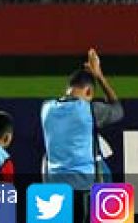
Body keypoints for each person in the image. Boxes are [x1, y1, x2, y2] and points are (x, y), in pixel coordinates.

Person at [41, 49, 123, 223]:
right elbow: (118, 110)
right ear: (88, 92)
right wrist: (100, 76)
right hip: (84, 184)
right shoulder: (90, 110)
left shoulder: (46, 108)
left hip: (53, 183)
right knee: (105, 174)